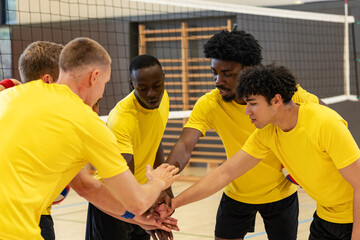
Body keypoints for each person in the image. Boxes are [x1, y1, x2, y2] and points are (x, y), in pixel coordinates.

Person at [0, 37, 179, 240]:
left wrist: (137, 219)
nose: (102, 91)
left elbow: (87, 187)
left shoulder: (13, 94)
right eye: (105, 83)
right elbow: (137, 201)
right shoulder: (86, 122)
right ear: (94, 77)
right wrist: (158, 182)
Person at [170, 64, 360, 240]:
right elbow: (224, 173)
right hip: (325, 219)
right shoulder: (267, 133)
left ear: (276, 100)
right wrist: (174, 203)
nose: (247, 111)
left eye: (253, 103)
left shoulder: (325, 123)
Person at [164, 29, 321, 240]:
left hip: (281, 194)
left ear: (249, 70)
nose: (218, 80)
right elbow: (185, 145)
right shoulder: (210, 104)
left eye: (227, 74)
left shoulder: (281, 96)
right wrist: (162, 182)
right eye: (214, 72)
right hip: (236, 194)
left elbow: (325, 117)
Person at [85, 54, 173, 240]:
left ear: (163, 79)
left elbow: (154, 140)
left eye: (156, 86)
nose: (151, 93)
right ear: (132, 85)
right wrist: (144, 210)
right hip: (112, 200)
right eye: (143, 88)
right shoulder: (122, 119)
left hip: (140, 196)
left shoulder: (163, 98)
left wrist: (162, 191)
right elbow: (123, 176)